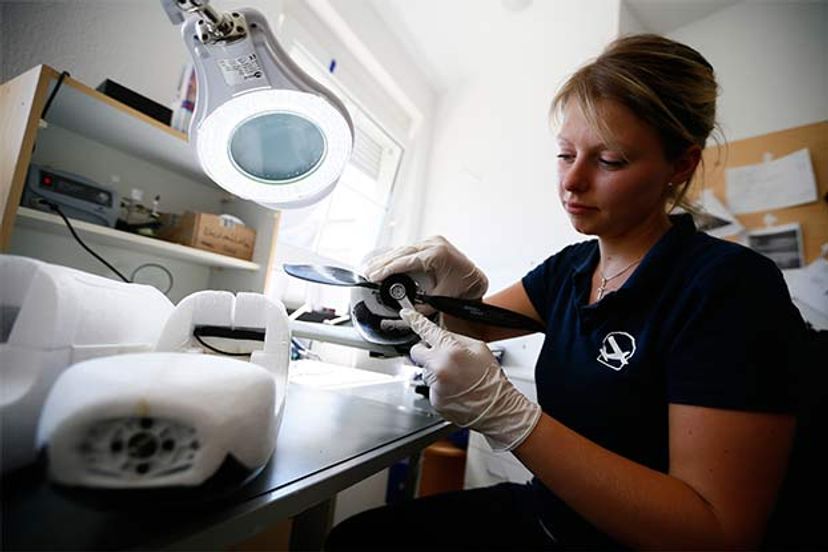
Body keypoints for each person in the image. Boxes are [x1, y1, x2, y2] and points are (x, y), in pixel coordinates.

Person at [325, 34, 808, 550]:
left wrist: (512, 419)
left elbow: (717, 532)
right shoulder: (573, 268)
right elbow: (464, 331)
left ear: (681, 165)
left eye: (611, 161)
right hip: (547, 516)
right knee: (354, 540)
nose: (572, 182)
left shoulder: (728, 288)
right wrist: (446, 295)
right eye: (565, 154)